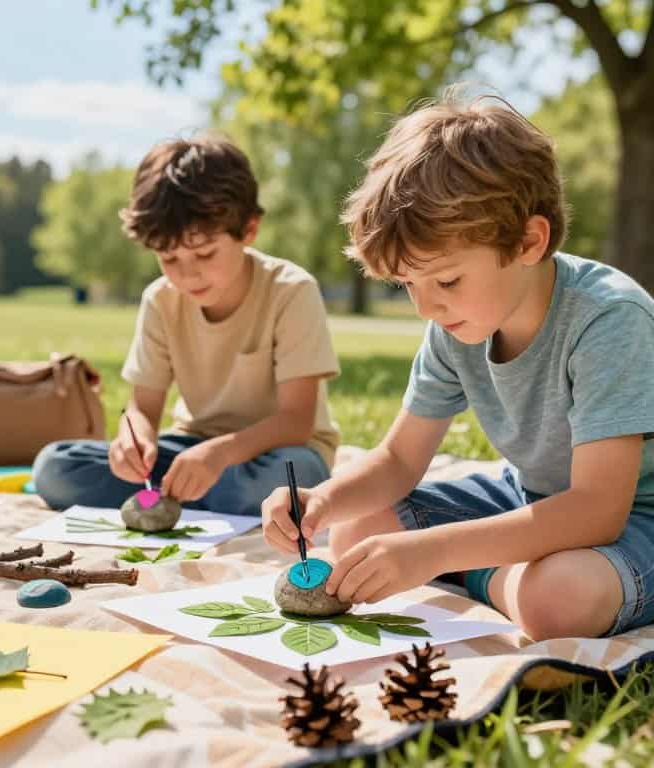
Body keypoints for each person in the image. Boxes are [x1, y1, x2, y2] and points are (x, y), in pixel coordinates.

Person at [262, 94, 654, 639]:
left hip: (638, 516)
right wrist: (322, 499)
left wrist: (434, 550)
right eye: (408, 285)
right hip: (530, 499)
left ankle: (495, 578)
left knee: (555, 602)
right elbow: (399, 459)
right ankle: (502, 575)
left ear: (528, 241)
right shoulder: (457, 324)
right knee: (354, 533)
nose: (425, 307)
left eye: (446, 281)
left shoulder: (608, 318)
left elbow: (597, 510)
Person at [33, 136, 340, 517]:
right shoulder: (160, 300)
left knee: (284, 479)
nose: (187, 273)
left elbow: (296, 422)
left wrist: (219, 455)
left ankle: (166, 501)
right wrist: (135, 439)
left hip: (279, 454)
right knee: (56, 467)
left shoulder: (291, 291)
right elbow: (142, 407)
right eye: (168, 257)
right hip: (190, 449)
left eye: (204, 253)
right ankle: (178, 496)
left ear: (248, 229)